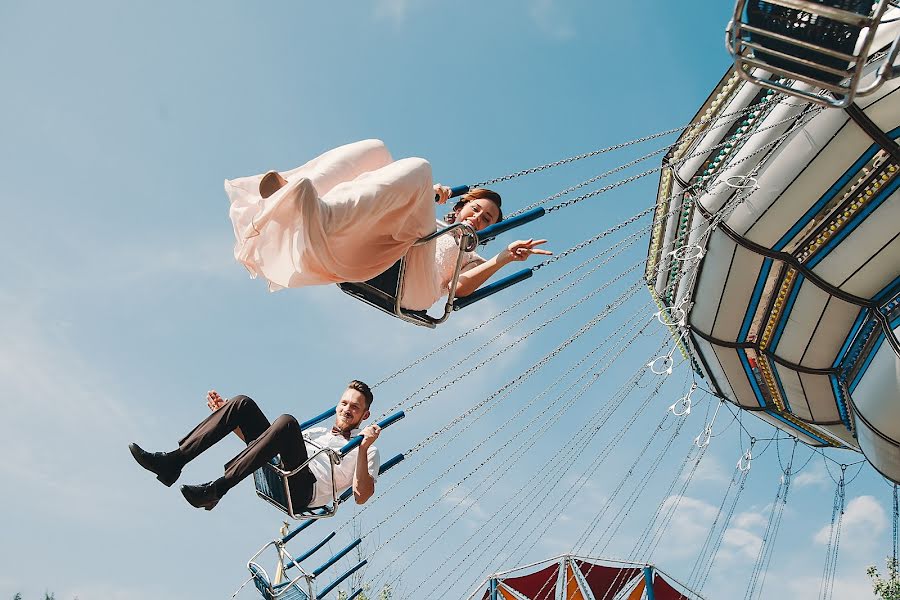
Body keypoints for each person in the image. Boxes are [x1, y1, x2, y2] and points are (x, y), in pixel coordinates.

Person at [225, 139, 550, 311]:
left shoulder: (469, 252)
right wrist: (429, 199)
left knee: (420, 169)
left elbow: (460, 289)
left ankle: (317, 210)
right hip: (379, 253)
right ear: (460, 205)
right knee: (375, 150)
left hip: (415, 286)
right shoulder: (426, 218)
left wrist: (502, 259)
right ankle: (294, 193)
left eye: (487, 220)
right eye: (476, 210)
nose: (478, 219)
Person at [128, 380, 381, 511]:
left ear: (364, 416)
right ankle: (173, 461)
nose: (347, 410)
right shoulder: (319, 431)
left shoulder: (367, 449)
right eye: (345, 403)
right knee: (241, 404)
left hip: (302, 490)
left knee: (286, 423)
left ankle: (217, 489)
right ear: (338, 404)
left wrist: (362, 446)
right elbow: (264, 447)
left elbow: (362, 496)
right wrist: (226, 417)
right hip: (280, 468)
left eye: (355, 407)